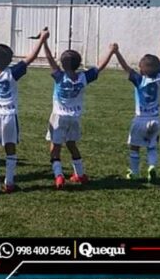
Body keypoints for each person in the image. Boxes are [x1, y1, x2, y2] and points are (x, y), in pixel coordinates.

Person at [0, 26, 49, 195]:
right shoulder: (12, 73)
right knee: (10, 148)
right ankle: (10, 182)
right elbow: (31, 58)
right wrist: (42, 39)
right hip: (10, 116)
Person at [41, 39, 116, 189]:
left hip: (58, 117)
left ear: (61, 64)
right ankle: (80, 174)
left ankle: (59, 175)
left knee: (55, 147)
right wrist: (111, 51)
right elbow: (99, 67)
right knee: (72, 144)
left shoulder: (59, 76)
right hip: (74, 118)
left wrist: (44, 42)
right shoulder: (83, 77)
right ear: (79, 63)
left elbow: (49, 58)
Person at [113, 34, 160, 182]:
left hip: (140, 120)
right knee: (152, 146)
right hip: (156, 119)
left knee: (134, 147)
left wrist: (116, 52)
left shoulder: (139, 80)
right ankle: (151, 166)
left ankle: (133, 172)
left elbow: (125, 67)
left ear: (141, 69)